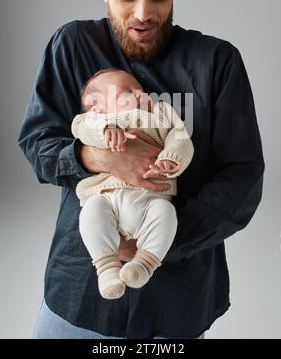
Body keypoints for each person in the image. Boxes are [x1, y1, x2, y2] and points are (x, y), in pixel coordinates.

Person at [17, 0, 265, 339]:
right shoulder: (73, 45)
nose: (143, 14)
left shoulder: (217, 62)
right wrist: (103, 157)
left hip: (176, 300)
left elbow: (242, 178)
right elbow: (37, 141)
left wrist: (161, 240)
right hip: (81, 288)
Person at [71, 68, 194, 300]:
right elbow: (79, 127)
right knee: (91, 212)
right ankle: (106, 268)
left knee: (166, 214)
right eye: (127, 92)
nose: (140, 94)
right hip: (107, 196)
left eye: (141, 89)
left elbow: (180, 137)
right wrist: (103, 130)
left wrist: (172, 158)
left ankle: (144, 264)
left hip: (152, 200)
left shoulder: (161, 112)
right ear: (98, 106)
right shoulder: (98, 120)